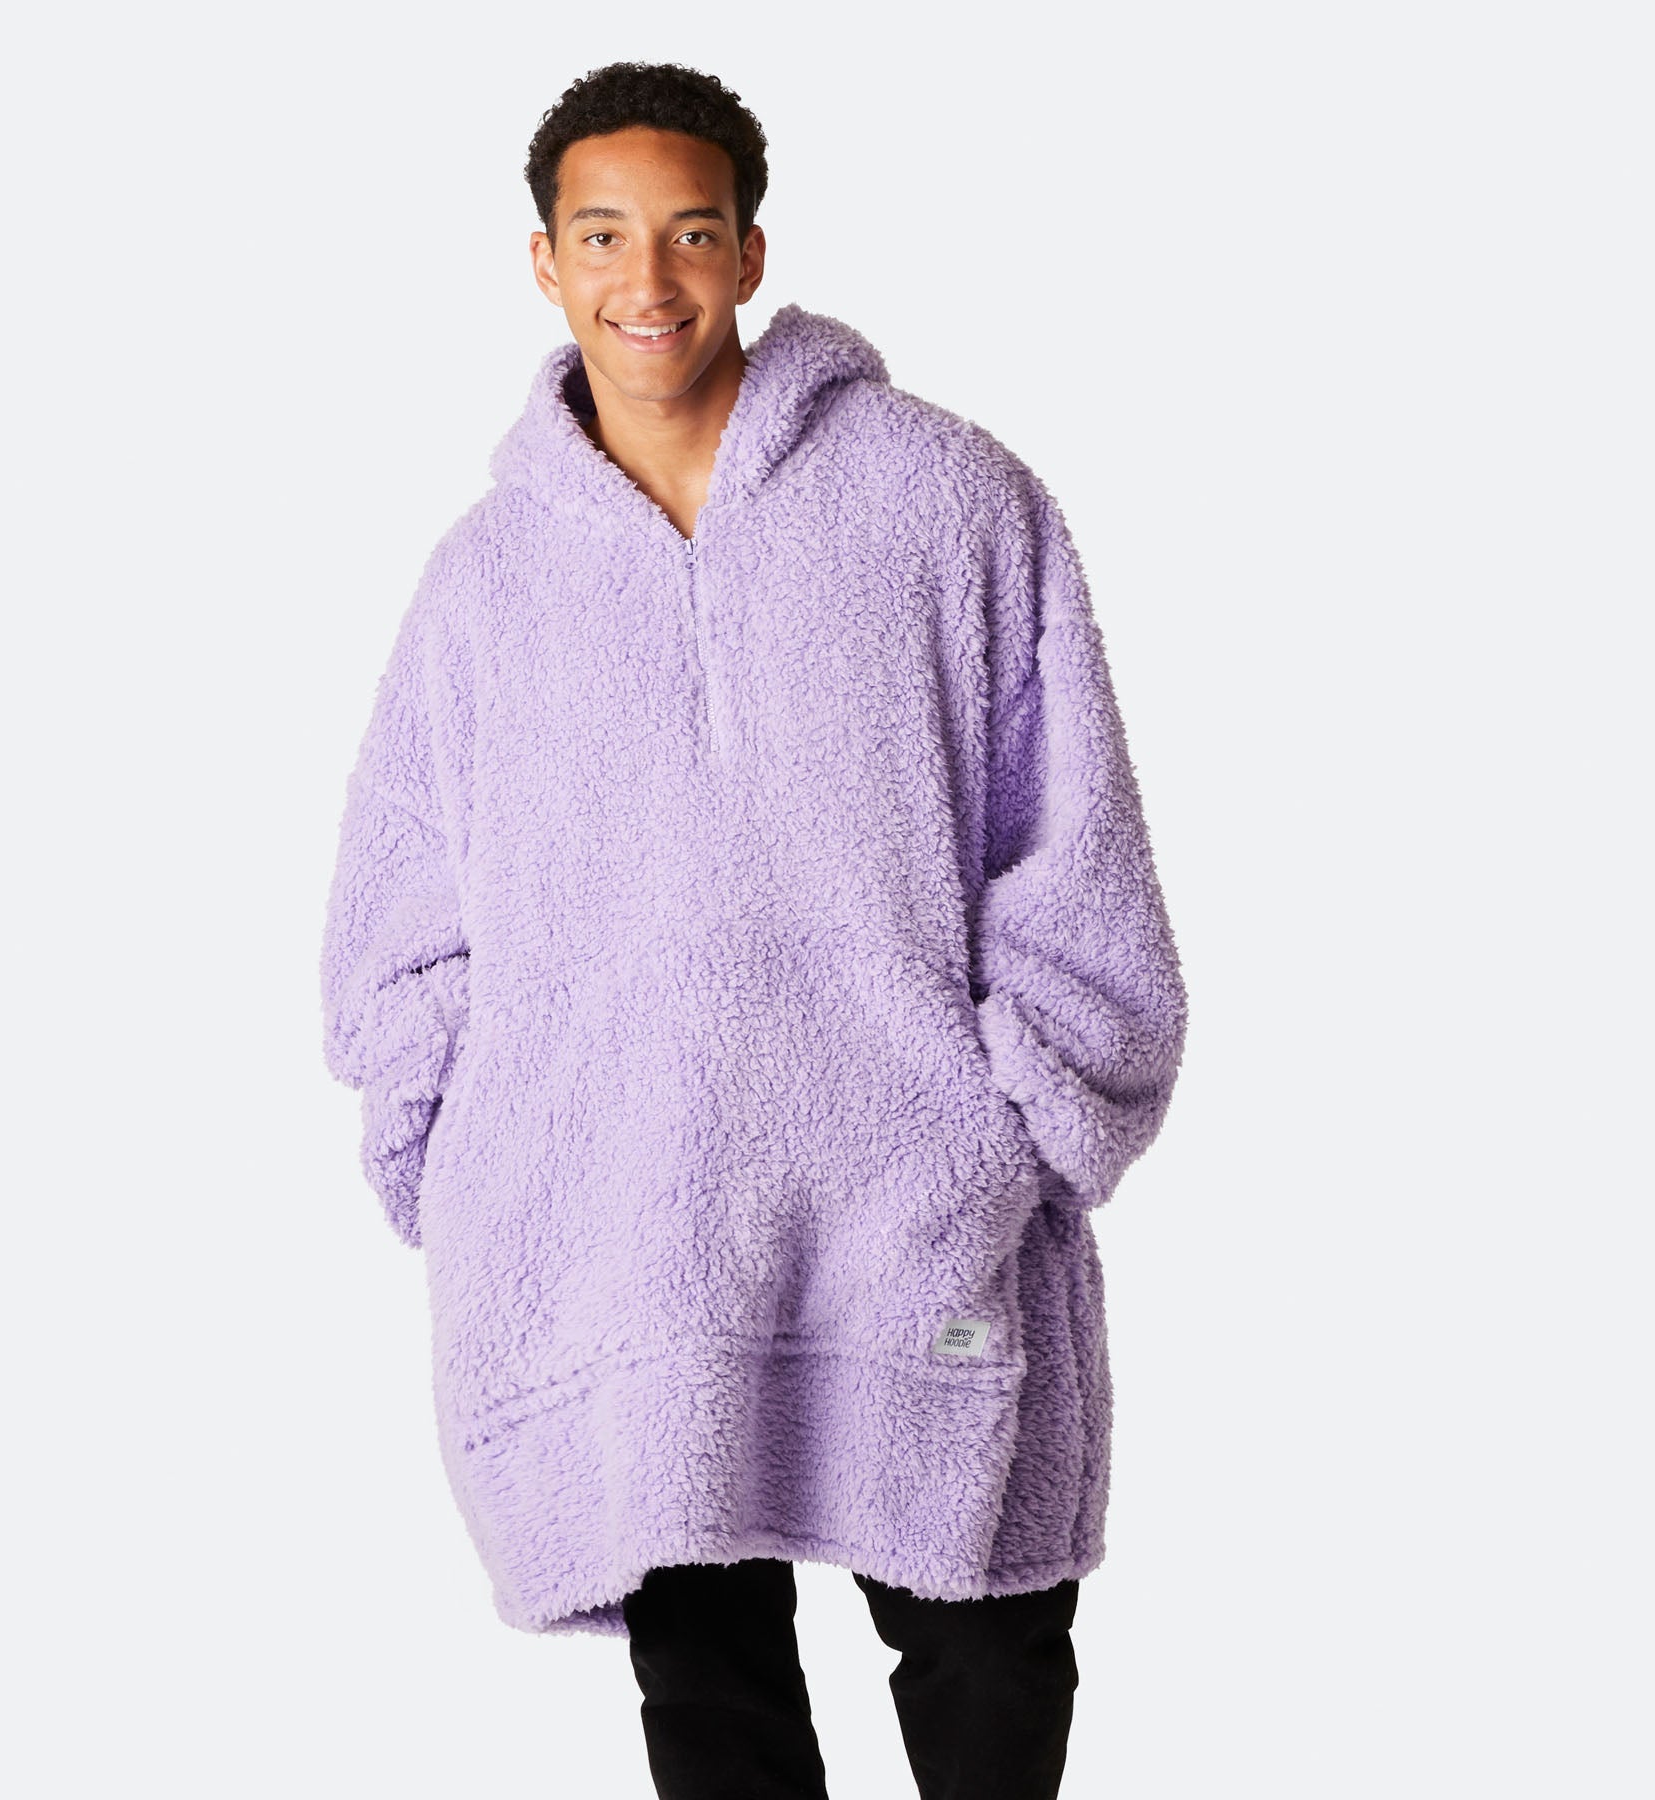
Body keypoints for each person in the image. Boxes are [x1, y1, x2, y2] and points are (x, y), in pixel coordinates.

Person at [318, 59, 1188, 1800]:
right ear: (545, 262)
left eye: (691, 232)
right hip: (621, 1224)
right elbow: (402, 902)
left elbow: (1073, 840)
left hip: (915, 1208)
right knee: (708, 1687)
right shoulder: (485, 582)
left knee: (987, 1649)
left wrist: (1009, 1124)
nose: (649, 280)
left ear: (752, 250)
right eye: (604, 236)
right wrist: (459, 1152)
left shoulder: (948, 502)